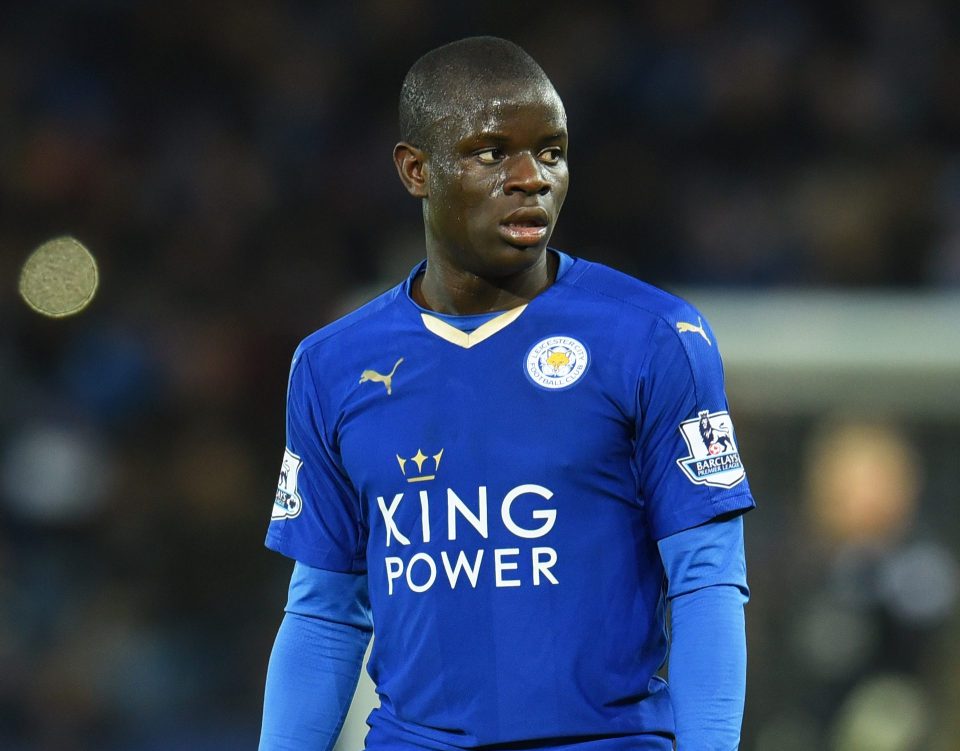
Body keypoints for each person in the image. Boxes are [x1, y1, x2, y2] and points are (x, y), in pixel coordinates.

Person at [259, 36, 754, 751]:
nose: (532, 178)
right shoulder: (331, 366)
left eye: (551, 152)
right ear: (415, 170)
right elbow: (326, 611)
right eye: (493, 153)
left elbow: (706, 579)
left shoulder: (654, 337)